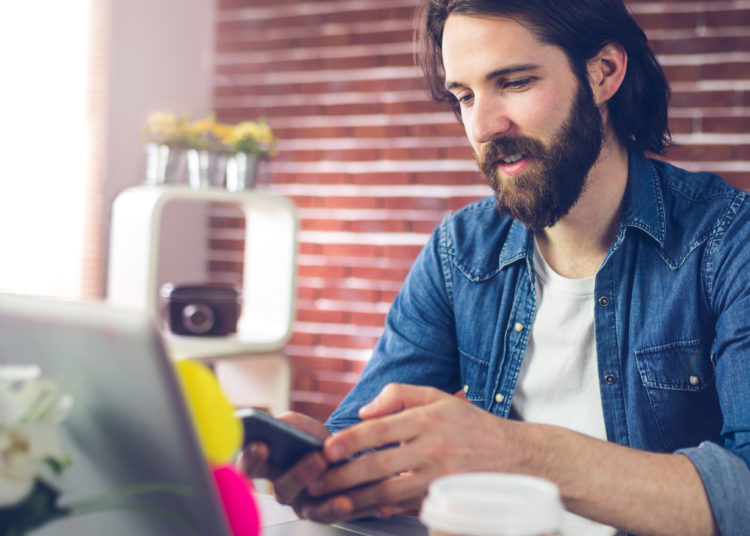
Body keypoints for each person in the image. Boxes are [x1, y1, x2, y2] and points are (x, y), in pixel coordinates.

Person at [240, 1, 750, 534]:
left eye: (515, 82)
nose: (482, 126)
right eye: (464, 96)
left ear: (604, 73)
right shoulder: (459, 250)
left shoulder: (728, 242)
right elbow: (367, 432)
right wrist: (330, 460)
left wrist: (516, 452)